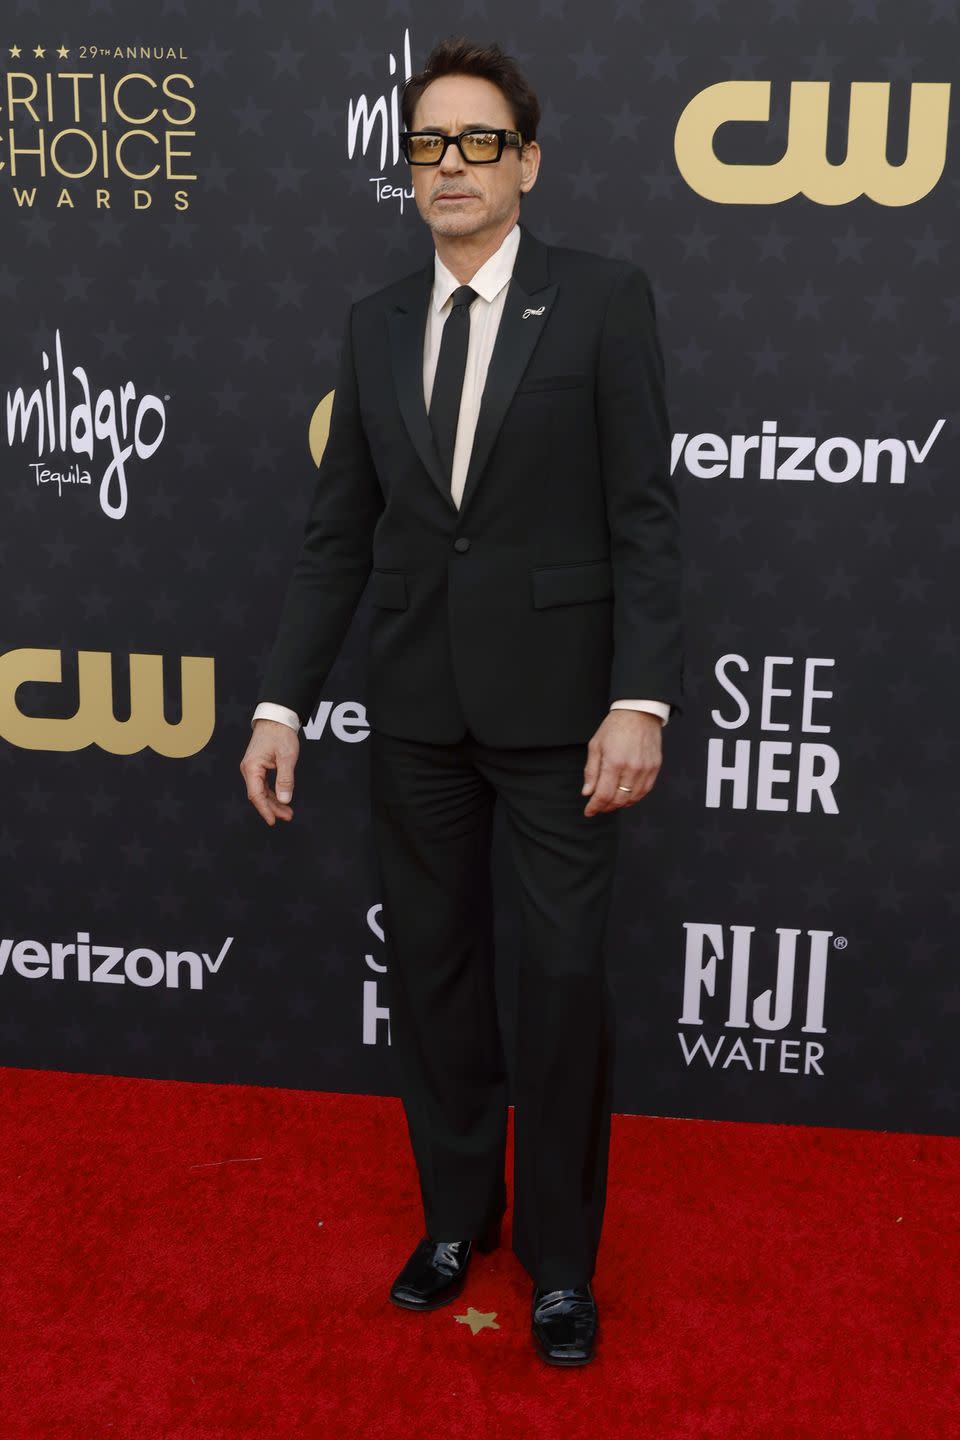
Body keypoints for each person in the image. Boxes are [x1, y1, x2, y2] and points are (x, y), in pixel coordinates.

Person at [239, 36, 683, 1367]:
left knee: (556, 982)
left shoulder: (604, 303)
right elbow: (337, 535)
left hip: (565, 722)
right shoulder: (374, 324)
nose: (450, 166)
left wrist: (642, 702)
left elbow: (645, 524)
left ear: (526, 163)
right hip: (417, 713)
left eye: (477, 142)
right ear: (406, 168)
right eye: (428, 145)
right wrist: (281, 706)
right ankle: (451, 1220)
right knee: (432, 977)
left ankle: (557, 1261)